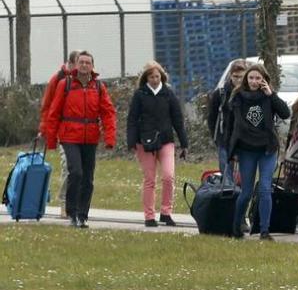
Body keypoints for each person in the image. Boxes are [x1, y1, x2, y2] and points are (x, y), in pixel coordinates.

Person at [43, 51, 117, 228]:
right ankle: (72, 212)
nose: (84, 65)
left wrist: (110, 138)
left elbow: (108, 113)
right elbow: (53, 112)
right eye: (81, 62)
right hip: (69, 136)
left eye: (88, 62)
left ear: (92, 66)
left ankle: (83, 215)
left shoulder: (99, 87)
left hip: (90, 137)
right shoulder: (65, 84)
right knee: (75, 172)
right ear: (76, 65)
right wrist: (51, 139)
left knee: (88, 178)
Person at [225, 64, 291, 240]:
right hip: (246, 149)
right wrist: (231, 150)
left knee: (264, 189)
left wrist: (272, 95)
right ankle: (236, 226)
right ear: (246, 79)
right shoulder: (238, 97)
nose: (254, 82)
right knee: (246, 192)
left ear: (264, 80)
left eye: (258, 78)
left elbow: (285, 113)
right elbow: (230, 127)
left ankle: (264, 230)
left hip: (267, 149)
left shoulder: (268, 97)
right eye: (251, 78)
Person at [126, 61, 189, 227]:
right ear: (146, 78)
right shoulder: (140, 95)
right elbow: (132, 119)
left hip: (166, 141)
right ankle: (149, 215)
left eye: (157, 76)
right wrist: (131, 140)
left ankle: (166, 212)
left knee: (168, 176)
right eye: (151, 76)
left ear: (162, 76)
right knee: (150, 179)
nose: (155, 79)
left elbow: (177, 119)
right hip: (144, 142)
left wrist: (184, 143)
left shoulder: (168, 94)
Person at [38, 50, 80, 218]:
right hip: (63, 130)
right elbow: (47, 105)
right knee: (68, 165)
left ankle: (76, 203)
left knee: (80, 170)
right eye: (80, 63)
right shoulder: (58, 79)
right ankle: (64, 202)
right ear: (71, 63)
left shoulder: (85, 80)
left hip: (81, 131)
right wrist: (44, 128)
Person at [208, 59, 248, 176]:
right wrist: (216, 138)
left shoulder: (251, 93)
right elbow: (212, 118)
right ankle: (229, 191)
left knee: (246, 176)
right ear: (230, 75)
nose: (238, 80)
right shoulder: (220, 94)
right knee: (226, 176)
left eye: (242, 76)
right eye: (235, 76)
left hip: (245, 140)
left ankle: (243, 193)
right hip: (224, 140)